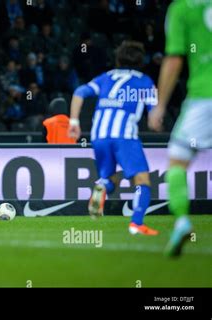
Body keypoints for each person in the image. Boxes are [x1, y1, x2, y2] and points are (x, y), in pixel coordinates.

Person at [69, 41, 159, 236]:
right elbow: (154, 118)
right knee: (142, 180)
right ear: (141, 61)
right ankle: (136, 224)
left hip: (99, 135)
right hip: (124, 135)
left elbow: (79, 92)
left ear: (118, 59)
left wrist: (74, 122)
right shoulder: (145, 81)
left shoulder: (106, 77)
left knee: (110, 178)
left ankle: (101, 186)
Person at [148, 0, 212, 257]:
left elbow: (174, 60)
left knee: (177, 161)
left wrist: (160, 105)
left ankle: (183, 220)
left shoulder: (182, 8)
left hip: (204, 97)